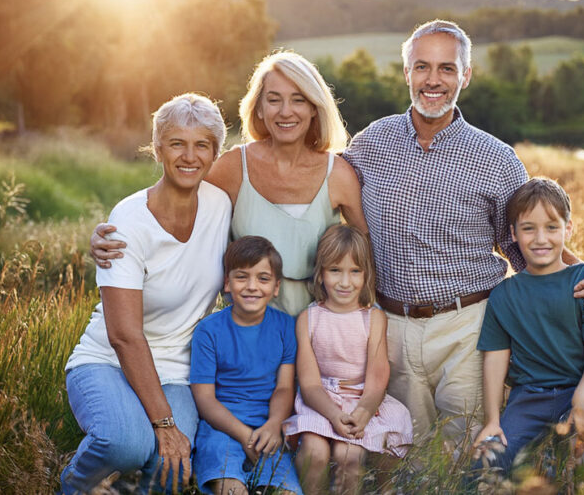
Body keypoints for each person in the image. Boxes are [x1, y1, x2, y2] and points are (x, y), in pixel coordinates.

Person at [341, 20, 584, 443]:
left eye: (447, 69)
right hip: (389, 326)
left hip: (469, 326)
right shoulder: (370, 143)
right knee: (401, 454)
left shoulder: (497, 159)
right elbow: (328, 191)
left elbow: (527, 247)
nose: (433, 80)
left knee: (466, 453)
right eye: (422, 67)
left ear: (465, 75)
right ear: (407, 73)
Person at [91, 51, 368, 318]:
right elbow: (174, 206)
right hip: (247, 337)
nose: (286, 112)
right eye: (274, 100)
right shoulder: (233, 168)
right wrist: (118, 235)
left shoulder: (338, 174)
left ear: (313, 108)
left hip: (320, 334)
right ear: (258, 108)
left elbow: (366, 252)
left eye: (298, 100)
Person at [60, 94, 231, 494]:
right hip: (107, 360)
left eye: (201, 144)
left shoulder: (222, 206)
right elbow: (124, 336)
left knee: (171, 464)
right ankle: (75, 486)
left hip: (177, 368)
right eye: (176, 143)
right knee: (125, 444)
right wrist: (165, 425)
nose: (189, 156)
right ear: (157, 149)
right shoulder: (128, 221)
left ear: (215, 153)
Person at [472, 177, 584, 473]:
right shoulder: (504, 295)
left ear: (568, 229)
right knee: (487, 462)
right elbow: (495, 360)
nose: (541, 239)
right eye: (529, 228)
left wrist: (582, 397)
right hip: (529, 397)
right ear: (512, 234)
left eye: (552, 227)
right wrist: (492, 419)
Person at [284, 225, 413, 494]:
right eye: (335, 271)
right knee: (315, 453)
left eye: (355, 271)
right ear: (320, 274)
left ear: (366, 275)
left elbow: (377, 377)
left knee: (349, 457)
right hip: (321, 402)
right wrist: (333, 414)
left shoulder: (374, 318)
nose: (345, 282)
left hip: (362, 401)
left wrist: (364, 412)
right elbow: (308, 384)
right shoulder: (308, 319)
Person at [190, 236, 301, 495]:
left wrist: (274, 424)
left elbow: (284, 388)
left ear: (276, 287)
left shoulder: (285, 326)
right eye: (242, 277)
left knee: (283, 491)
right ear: (227, 283)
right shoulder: (208, 331)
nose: (252, 286)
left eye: (263, 279)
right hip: (222, 428)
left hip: (268, 429)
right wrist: (243, 435)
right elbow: (204, 399)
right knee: (232, 489)